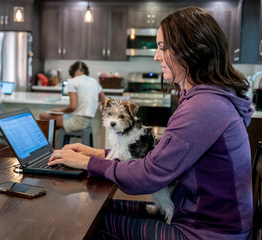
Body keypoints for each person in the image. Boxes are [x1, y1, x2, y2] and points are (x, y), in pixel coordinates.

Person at [48, 7, 254, 240]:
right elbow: (157, 157)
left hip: (207, 233)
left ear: (191, 51)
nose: (156, 56)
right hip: (198, 217)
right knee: (97, 210)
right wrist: (98, 153)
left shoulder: (204, 106)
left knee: (87, 221)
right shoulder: (208, 99)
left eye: (162, 47)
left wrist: (90, 163)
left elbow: (148, 176)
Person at [39, 61, 105, 132]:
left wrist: (60, 110)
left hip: (78, 121)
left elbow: (72, 107)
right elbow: (103, 99)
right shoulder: (94, 81)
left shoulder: (72, 82)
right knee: (55, 124)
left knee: (43, 115)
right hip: (89, 121)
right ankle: (56, 140)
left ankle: (50, 141)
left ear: (72, 72)